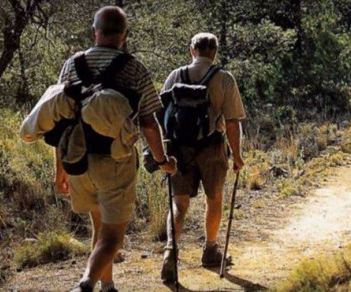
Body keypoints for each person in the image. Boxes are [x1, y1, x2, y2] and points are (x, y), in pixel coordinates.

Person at [54, 6, 177, 292]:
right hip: (116, 161)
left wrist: (59, 169)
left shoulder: (72, 65)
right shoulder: (133, 68)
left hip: (78, 161)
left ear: (94, 31)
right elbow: (148, 123)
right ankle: (85, 284)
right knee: (112, 237)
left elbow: (59, 121)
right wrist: (161, 160)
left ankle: (106, 284)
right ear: (124, 35)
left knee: (99, 226)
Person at [159, 32, 246, 281]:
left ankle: (170, 253)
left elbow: (161, 114)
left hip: (178, 151)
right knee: (214, 198)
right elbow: (232, 122)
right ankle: (210, 250)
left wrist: (162, 154)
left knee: (179, 203)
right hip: (211, 148)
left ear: (192, 51)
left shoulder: (175, 76)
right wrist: (237, 155)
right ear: (214, 52)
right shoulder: (224, 79)